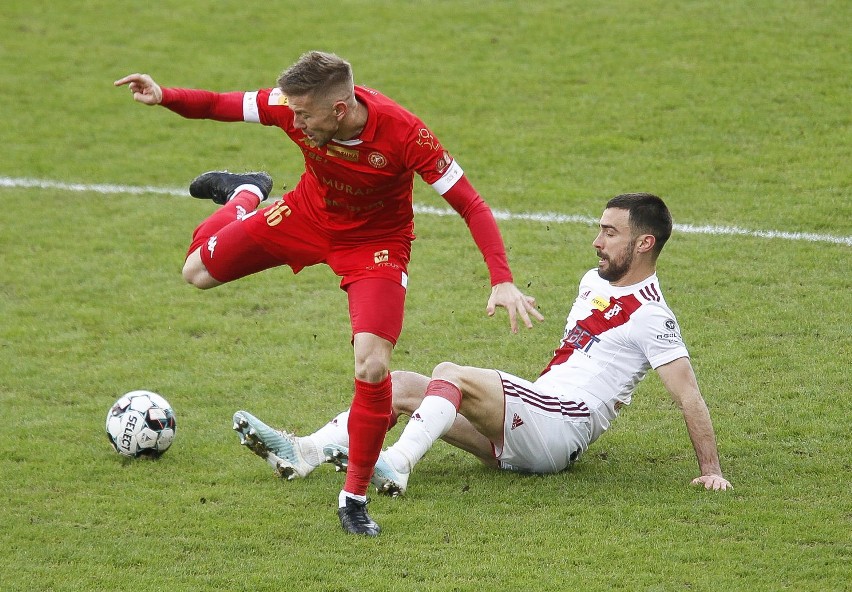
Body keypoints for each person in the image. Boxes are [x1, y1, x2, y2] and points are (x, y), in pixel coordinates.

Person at [115, 51, 542, 536]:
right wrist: (164, 95)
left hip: (375, 247)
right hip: (306, 216)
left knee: (373, 364)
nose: (293, 121)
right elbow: (222, 104)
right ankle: (246, 194)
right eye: (292, 112)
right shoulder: (295, 107)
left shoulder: (404, 134)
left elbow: (471, 204)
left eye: (304, 115)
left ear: (340, 109)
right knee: (196, 272)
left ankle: (353, 499)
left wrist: (501, 278)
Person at [232, 193, 732, 501]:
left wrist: (710, 472)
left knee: (453, 372)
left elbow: (687, 394)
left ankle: (399, 465)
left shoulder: (652, 315)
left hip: (564, 423)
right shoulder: (593, 281)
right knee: (402, 383)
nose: (597, 241)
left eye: (609, 232)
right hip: (530, 426)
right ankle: (304, 452)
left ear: (644, 244)